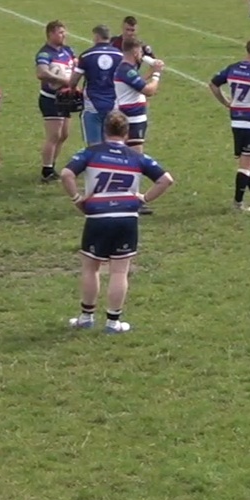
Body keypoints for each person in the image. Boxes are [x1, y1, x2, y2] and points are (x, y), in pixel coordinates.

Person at [61, 110, 175, 333]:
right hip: (126, 218)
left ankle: (86, 317)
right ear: (127, 132)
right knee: (119, 271)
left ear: (105, 131)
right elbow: (166, 180)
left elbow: (66, 174)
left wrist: (77, 199)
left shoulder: (91, 153)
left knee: (90, 268)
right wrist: (143, 199)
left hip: (97, 216)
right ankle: (113, 322)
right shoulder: (137, 157)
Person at [209, 39, 250, 211]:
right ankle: (238, 203)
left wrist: (226, 102)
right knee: (246, 165)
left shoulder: (233, 68)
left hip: (236, 120)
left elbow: (213, 84)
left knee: (249, 160)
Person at [112, 38, 165, 211]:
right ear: (135, 52)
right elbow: (149, 90)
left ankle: (124, 195)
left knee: (128, 159)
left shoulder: (125, 69)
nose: (141, 56)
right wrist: (157, 74)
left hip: (130, 119)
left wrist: (150, 72)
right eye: (140, 53)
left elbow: (137, 84)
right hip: (133, 120)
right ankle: (131, 199)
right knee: (134, 161)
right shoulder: (126, 70)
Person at [35, 20, 80, 181]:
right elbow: (41, 73)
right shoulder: (45, 53)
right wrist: (63, 80)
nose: (64, 35)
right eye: (60, 32)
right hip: (50, 98)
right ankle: (46, 170)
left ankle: (52, 165)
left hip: (66, 97)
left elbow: (76, 66)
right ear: (51, 34)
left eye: (64, 32)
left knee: (64, 134)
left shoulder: (68, 50)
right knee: (54, 135)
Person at [76, 24, 124, 147]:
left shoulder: (86, 55)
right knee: (112, 144)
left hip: (92, 104)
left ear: (97, 36)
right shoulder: (119, 55)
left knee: (94, 147)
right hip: (114, 104)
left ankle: (95, 166)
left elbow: (72, 81)